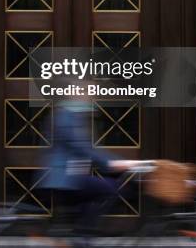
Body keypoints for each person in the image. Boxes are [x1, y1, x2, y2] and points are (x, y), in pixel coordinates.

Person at [38, 99, 137, 232]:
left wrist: (114, 163)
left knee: (93, 196)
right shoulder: (66, 116)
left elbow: (85, 149)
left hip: (70, 178)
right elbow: (82, 148)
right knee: (113, 189)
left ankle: (82, 235)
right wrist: (112, 163)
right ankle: (85, 232)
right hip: (65, 179)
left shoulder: (70, 115)